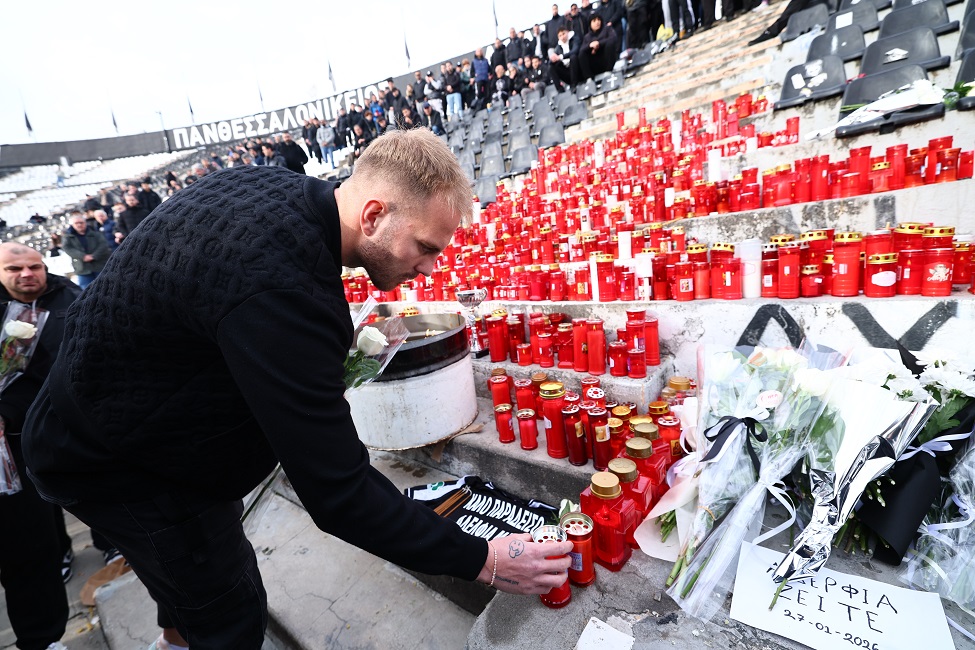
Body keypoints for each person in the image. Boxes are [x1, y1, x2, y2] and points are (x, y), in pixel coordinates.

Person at [22, 129, 572, 649]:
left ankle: (173, 635)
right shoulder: (284, 291)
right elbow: (339, 495)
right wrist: (482, 559)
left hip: (119, 412)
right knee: (226, 606)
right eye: (425, 246)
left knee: (186, 579)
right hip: (118, 460)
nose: (429, 269)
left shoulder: (273, 191)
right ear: (374, 215)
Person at [0, 243, 78, 650]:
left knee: (32, 546)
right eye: (14, 268)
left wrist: (6, 411)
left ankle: (42, 639)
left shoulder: (72, 299)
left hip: (35, 440)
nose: (26, 274)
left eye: (34, 266)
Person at [61, 211, 111, 289]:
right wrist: (83, 256)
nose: (79, 225)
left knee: (105, 287)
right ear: (72, 225)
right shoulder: (68, 237)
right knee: (86, 290)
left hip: (99, 265)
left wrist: (94, 256)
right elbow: (67, 248)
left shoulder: (95, 233)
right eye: (76, 223)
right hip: (82, 267)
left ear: (85, 223)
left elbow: (103, 245)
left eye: (81, 222)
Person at [577, 13, 619, 83]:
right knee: (582, 54)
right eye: (594, 20)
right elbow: (581, 50)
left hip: (606, 60)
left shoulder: (607, 29)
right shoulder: (587, 37)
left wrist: (599, 43)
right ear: (590, 24)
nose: (597, 22)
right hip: (595, 64)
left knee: (609, 44)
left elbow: (613, 38)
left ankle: (609, 71)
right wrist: (590, 46)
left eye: (598, 20)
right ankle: (589, 78)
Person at [548, 25, 580, 91]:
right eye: (560, 36)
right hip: (567, 72)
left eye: (563, 34)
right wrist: (553, 58)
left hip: (577, 69)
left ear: (567, 32)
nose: (562, 37)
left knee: (573, 57)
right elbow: (552, 61)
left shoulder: (575, 39)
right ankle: (560, 90)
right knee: (551, 67)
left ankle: (574, 85)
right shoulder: (558, 47)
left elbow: (575, 51)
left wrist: (561, 57)